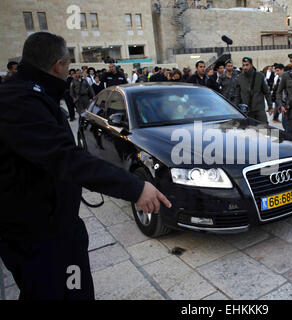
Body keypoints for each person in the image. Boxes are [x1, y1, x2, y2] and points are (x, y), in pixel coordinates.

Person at [0, 32, 171, 300]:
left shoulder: (27, 94)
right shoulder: (18, 101)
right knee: (68, 292)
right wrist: (135, 188)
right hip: (43, 238)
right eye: (68, 65)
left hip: (52, 228)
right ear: (59, 64)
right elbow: (66, 158)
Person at [235, 57, 273, 124]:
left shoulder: (260, 76)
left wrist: (270, 106)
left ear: (251, 65)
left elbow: (267, 92)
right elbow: (237, 95)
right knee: (249, 131)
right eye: (243, 65)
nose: (245, 67)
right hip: (246, 111)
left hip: (259, 109)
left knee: (265, 130)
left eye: (247, 65)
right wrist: (236, 109)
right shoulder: (239, 78)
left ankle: (277, 135)